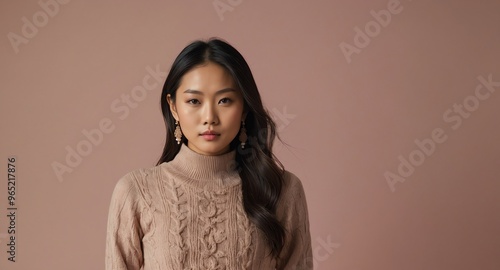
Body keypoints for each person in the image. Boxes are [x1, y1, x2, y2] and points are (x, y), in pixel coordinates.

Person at [105, 38, 313, 269]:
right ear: (173, 107)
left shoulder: (282, 190)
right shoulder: (136, 192)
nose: (209, 117)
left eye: (225, 100)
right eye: (194, 101)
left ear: (243, 108)